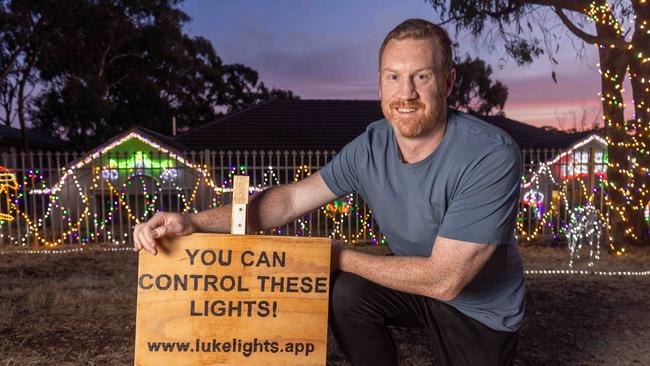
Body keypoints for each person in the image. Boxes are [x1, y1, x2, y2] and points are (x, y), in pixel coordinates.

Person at [133, 18, 524, 366]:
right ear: (380, 82)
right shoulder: (370, 147)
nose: (405, 93)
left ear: (448, 81)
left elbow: (444, 280)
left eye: (421, 76)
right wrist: (194, 221)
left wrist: (336, 257)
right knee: (345, 293)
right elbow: (288, 201)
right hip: (414, 282)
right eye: (393, 77)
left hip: (478, 309)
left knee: (348, 273)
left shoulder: (489, 154)